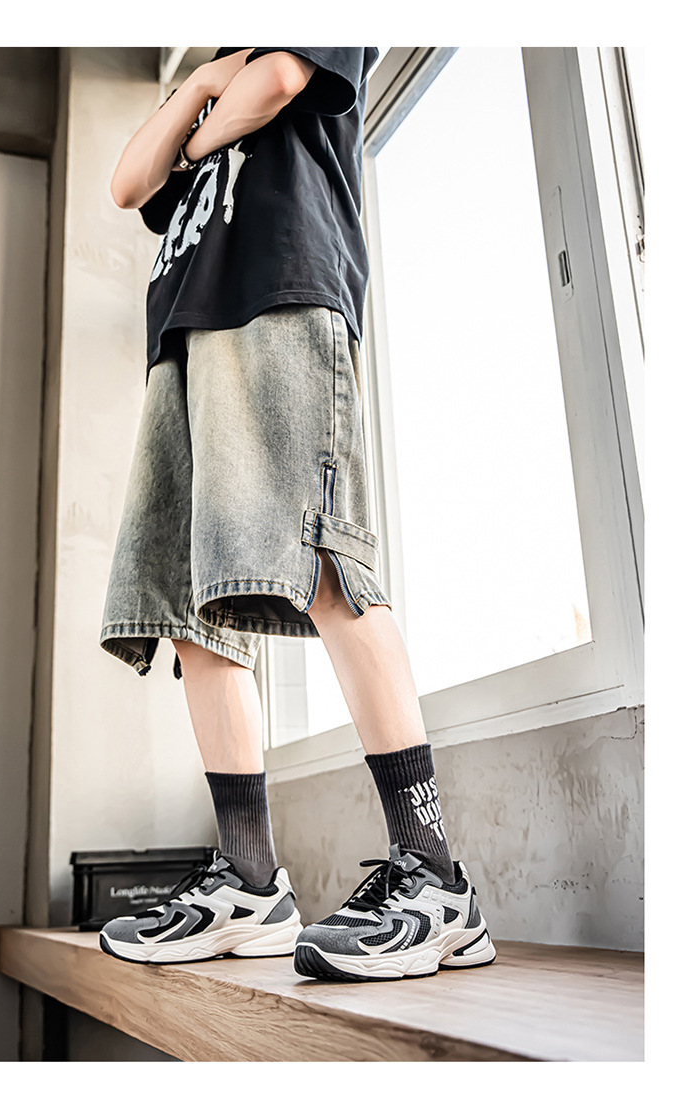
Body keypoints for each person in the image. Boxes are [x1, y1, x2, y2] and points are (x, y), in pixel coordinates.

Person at [98, 47, 496, 981]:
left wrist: (205, 117)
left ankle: (438, 881)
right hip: (184, 332)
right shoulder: (213, 79)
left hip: (281, 291)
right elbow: (128, 182)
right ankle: (248, 881)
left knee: (324, 563)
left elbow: (278, 80)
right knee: (191, 606)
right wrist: (204, 87)